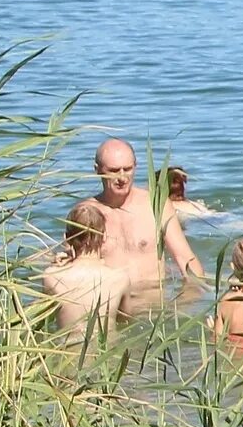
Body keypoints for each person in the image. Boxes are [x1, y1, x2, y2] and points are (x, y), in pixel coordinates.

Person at [91, 138, 207, 295]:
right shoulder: (87, 212)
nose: (122, 178)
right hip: (111, 307)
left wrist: (189, 301)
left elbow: (185, 258)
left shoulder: (156, 205)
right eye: (114, 170)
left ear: (136, 167)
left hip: (154, 308)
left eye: (128, 169)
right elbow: (76, 267)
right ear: (97, 170)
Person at [42, 200, 130, 331]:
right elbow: (126, 323)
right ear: (104, 237)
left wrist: (57, 264)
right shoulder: (120, 279)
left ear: (66, 238)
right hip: (107, 349)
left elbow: (43, 320)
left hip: (69, 349)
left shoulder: (51, 277)